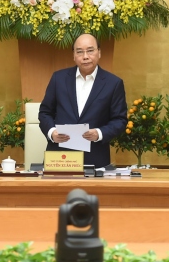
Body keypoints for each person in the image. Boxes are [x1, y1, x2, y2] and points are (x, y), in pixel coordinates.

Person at [38, 33, 128, 167]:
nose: (85, 56)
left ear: (99, 52)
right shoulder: (58, 78)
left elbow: (120, 120)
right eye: (79, 52)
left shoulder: (113, 83)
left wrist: (99, 133)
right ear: (74, 55)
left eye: (90, 51)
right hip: (59, 157)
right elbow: (45, 112)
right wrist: (52, 133)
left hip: (95, 157)